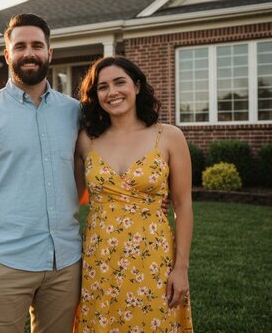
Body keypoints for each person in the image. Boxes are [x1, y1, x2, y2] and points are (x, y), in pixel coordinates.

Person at [0, 13, 82, 333]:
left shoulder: (74, 111)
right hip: (4, 262)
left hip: (65, 264)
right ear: (7, 54)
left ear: (49, 53)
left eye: (37, 45)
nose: (29, 53)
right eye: (20, 45)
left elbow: (93, 167)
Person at [73, 56, 194, 332]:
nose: (112, 92)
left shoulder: (168, 136)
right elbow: (74, 197)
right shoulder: (85, 140)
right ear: (96, 96)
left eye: (119, 82)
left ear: (137, 86)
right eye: (102, 87)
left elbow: (183, 205)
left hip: (153, 258)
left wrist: (181, 268)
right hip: (100, 259)